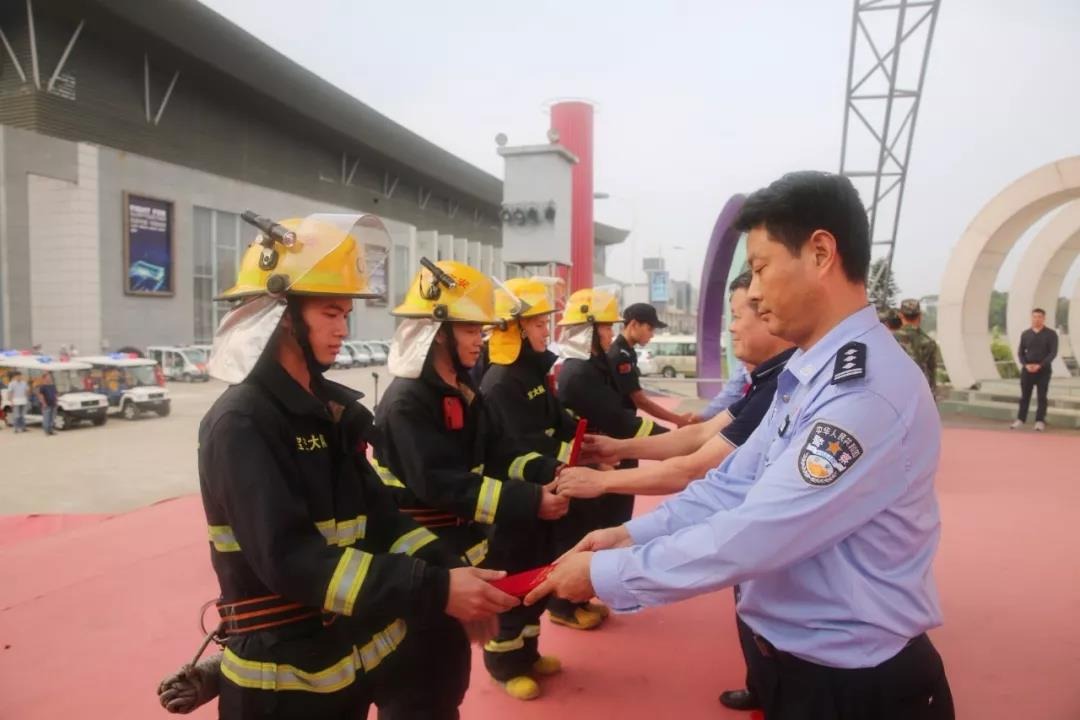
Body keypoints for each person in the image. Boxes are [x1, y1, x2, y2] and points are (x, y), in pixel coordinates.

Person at [527, 171, 954, 720]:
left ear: (821, 252)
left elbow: (757, 533)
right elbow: (728, 487)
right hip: (798, 671)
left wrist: (609, 574)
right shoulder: (808, 374)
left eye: (759, 268)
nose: (751, 292)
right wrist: (625, 534)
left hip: (856, 689)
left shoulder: (863, 393)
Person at [158, 213, 517, 719]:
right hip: (280, 685)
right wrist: (435, 589)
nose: (344, 329)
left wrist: (453, 570)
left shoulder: (328, 412)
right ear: (282, 316)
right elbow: (291, 559)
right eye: (331, 313)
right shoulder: (242, 424)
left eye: (346, 313)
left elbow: (382, 517)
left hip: (341, 656)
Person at [373, 259, 568, 718]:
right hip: (418, 563)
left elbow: (500, 454)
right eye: (470, 330)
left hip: (457, 553)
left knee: (449, 680)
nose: (480, 339)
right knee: (419, 687)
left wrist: (549, 472)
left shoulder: (462, 390)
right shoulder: (407, 402)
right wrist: (530, 501)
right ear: (438, 331)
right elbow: (440, 484)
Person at [554, 270, 795, 502]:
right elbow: (699, 434)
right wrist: (618, 449)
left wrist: (605, 475)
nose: (731, 327)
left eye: (736, 317)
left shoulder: (779, 385)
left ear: (768, 316)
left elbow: (692, 465)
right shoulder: (585, 369)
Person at [479, 277, 579, 700]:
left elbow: (558, 421)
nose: (546, 331)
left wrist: (585, 447)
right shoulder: (501, 382)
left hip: (543, 495)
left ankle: (528, 652)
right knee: (511, 580)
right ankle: (504, 663)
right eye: (538, 324)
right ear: (516, 328)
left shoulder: (531, 373)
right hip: (514, 504)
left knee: (538, 574)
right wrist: (560, 463)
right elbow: (520, 445)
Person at [550, 288, 669, 630]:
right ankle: (563, 603)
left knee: (600, 527)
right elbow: (620, 418)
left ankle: (580, 597)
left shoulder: (593, 366)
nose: (608, 333)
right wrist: (672, 440)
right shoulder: (580, 372)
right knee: (580, 531)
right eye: (603, 327)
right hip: (590, 459)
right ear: (587, 330)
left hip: (606, 454)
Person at [609, 303, 696, 428]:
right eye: (650, 328)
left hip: (625, 420)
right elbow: (640, 400)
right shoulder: (620, 355)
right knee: (671, 442)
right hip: (618, 424)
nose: (652, 335)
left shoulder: (628, 352)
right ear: (634, 324)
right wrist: (678, 420)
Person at [1011, 308, 1058, 432]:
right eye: (1034, 317)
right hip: (1027, 370)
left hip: (1043, 370)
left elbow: (1052, 353)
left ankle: (1039, 421)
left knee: (1042, 396)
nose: (1037, 319)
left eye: (1039, 317)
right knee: (1024, 396)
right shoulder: (1025, 334)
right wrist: (1025, 365)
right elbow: (1021, 352)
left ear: (1043, 318)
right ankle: (1020, 419)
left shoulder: (1051, 334)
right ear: (1031, 318)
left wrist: (1040, 365)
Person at [894, 298, 939, 396]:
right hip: (919, 397)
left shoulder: (890, 339)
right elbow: (931, 376)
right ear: (920, 316)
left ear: (900, 315)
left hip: (896, 396)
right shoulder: (929, 342)